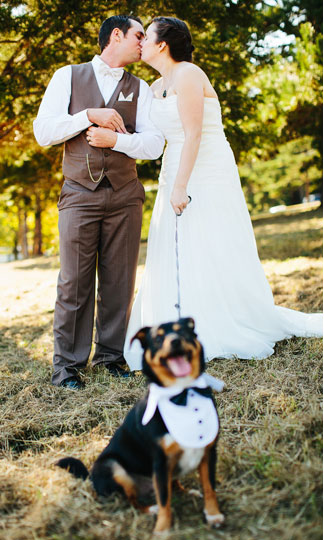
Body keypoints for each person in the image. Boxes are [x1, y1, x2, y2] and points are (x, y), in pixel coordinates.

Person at [123, 16, 323, 371]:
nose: (141, 42)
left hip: (206, 167)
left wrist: (182, 186)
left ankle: (222, 319)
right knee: (178, 246)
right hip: (174, 168)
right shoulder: (154, 87)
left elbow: (194, 134)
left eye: (146, 35)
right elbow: (151, 137)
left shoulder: (188, 73)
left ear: (162, 44)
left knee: (212, 239)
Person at [33, 15, 164, 389]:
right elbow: (43, 131)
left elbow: (154, 145)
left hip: (125, 196)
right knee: (74, 282)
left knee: (120, 281)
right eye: (139, 35)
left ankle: (110, 356)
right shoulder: (67, 76)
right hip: (78, 195)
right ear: (117, 35)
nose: (144, 42)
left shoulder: (142, 89)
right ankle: (67, 368)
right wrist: (88, 115)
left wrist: (116, 141)